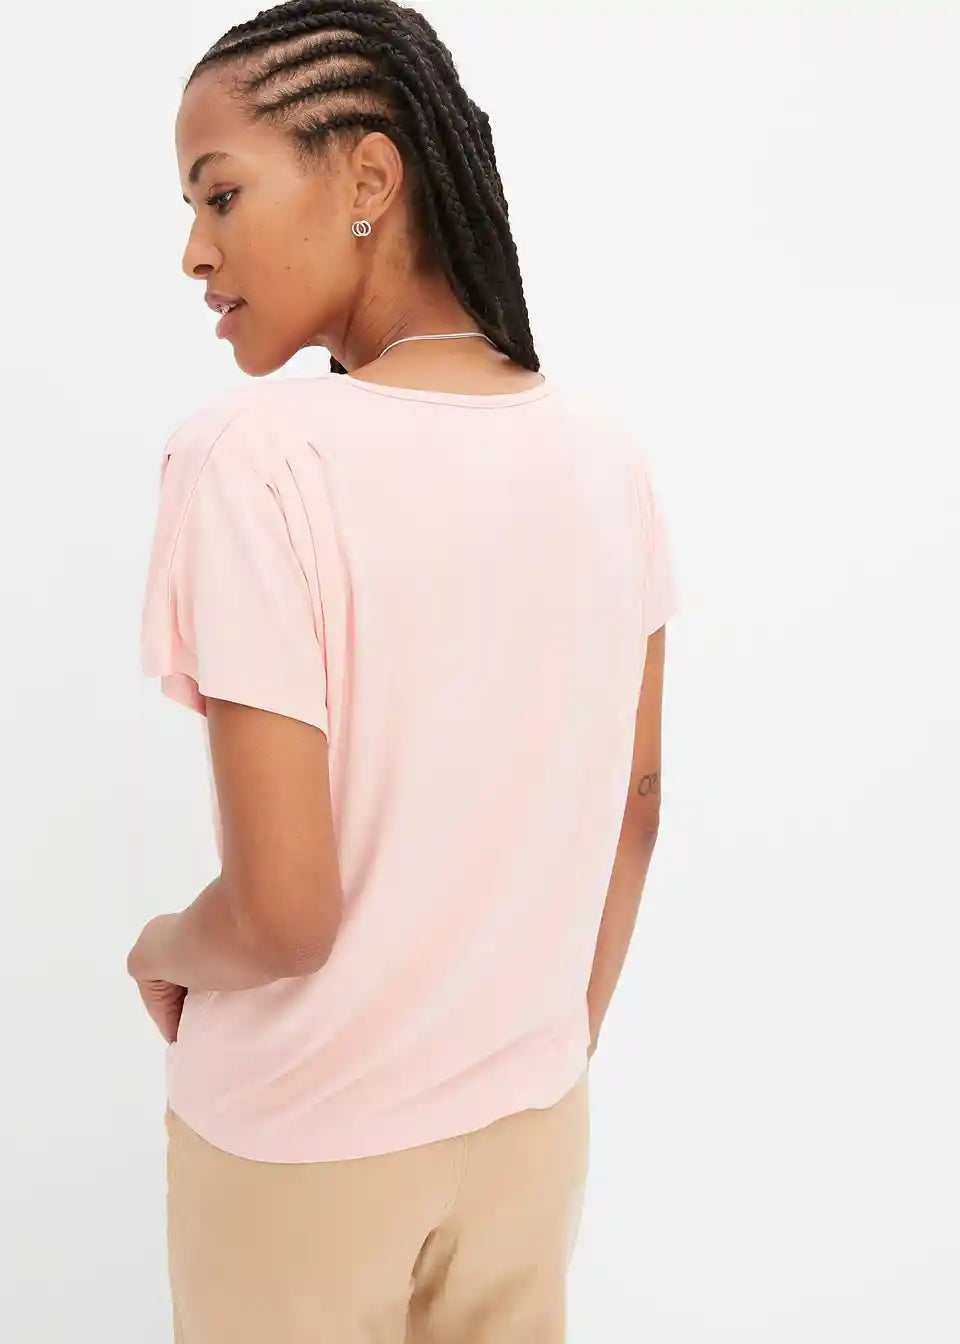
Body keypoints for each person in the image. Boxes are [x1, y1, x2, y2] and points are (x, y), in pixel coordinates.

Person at [125, 2, 680, 1340]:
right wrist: (542, 1056)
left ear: (368, 176)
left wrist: (162, 945)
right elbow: (638, 805)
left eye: (220, 194)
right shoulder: (606, 457)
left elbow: (282, 918)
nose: (195, 250)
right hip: (527, 1135)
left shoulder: (257, 459)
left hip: (302, 1153)